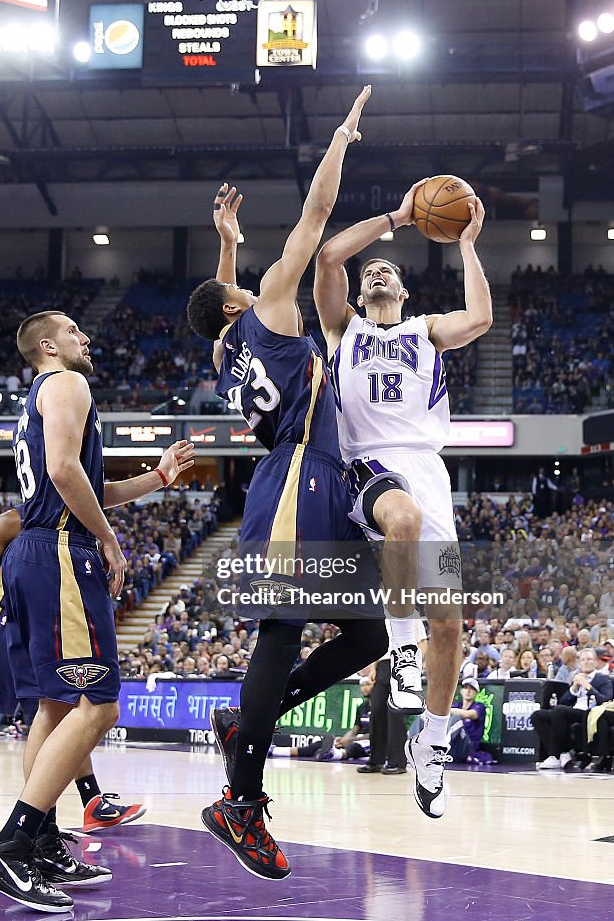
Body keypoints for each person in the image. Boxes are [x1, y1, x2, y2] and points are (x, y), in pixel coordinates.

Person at [187, 87, 388, 881]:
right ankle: (240, 799)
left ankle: (248, 721)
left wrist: (227, 249)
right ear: (244, 299)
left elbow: (216, 307)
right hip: (300, 476)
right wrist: (340, 137)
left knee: (368, 635)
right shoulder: (269, 305)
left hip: (306, 478)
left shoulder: (222, 350)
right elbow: (315, 215)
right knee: (282, 630)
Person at [0, 309, 194, 911]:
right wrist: (111, 542)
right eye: (73, 331)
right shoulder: (68, 383)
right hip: (62, 553)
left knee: (55, 702)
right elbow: (67, 474)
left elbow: (85, 481)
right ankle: (12, 844)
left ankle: (38, 841)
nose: (85, 338)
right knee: (100, 706)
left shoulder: (36, 401)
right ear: (47, 345)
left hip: (36, 553)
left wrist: (157, 479)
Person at [313, 188, 491, 818]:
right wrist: (398, 218)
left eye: (388, 269)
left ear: (407, 293)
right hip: (368, 463)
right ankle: (400, 641)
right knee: (403, 522)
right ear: (361, 296)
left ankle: (433, 743)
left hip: (429, 470)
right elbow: (331, 253)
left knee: (451, 623)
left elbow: (480, 318)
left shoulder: (426, 332)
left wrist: (466, 247)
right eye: (371, 274)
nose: (377, 271)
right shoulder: (343, 330)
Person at [0, 508, 146, 838]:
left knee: (58, 714)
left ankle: (87, 804)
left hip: (45, 622)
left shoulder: (76, 521)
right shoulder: (11, 522)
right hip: (4, 620)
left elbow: (102, 493)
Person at [358, 619, 426, 775]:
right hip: (383, 665)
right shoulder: (382, 619)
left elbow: (422, 643)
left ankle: (397, 762)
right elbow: (378, 647)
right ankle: (376, 760)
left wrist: (416, 665)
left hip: (403, 663)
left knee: (395, 715)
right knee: (376, 712)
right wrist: (374, 668)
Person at [532, 648, 613, 770]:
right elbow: (563, 702)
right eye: (583, 660)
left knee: (560, 711)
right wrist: (574, 688)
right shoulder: (576, 678)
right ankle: (563, 753)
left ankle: (554, 755)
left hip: (589, 714)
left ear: (596, 662)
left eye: (589, 659)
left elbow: (604, 700)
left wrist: (587, 686)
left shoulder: (602, 679)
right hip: (572, 711)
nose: (586, 662)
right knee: (537, 715)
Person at [270, 676, 375, 763]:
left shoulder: (381, 707)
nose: (365, 688)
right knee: (320, 744)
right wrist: (343, 740)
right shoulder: (362, 707)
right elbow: (354, 730)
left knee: (358, 746)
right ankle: (277, 751)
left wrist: (350, 741)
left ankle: (334, 754)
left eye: (368, 685)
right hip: (356, 739)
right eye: (362, 685)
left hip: (373, 742)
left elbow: (378, 735)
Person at [447, 678, 486, 764]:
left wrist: (446, 710)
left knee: (455, 718)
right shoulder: (456, 705)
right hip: (454, 746)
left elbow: (469, 714)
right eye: (465, 688)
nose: (468, 691)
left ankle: (443, 748)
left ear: (476, 692)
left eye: (471, 689)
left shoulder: (479, 706)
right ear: (461, 691)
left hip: (468, 747)